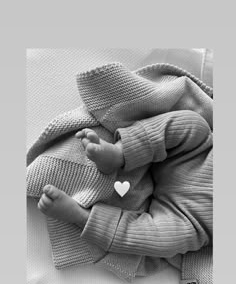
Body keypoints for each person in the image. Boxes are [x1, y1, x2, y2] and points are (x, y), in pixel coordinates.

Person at [38, 109, 213, 259]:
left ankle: (81, 216)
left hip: (191, 220)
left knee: (166, 240)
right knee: (192, 124)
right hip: (197, 155)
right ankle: (119, 153)